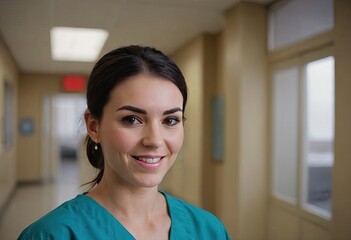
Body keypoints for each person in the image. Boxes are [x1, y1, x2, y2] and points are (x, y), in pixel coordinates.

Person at [18, 45, 231, 240]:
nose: (155, 140)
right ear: (94, 126)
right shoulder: (51, 235)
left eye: (171, 120)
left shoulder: (208, 230)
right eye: (132, 119)